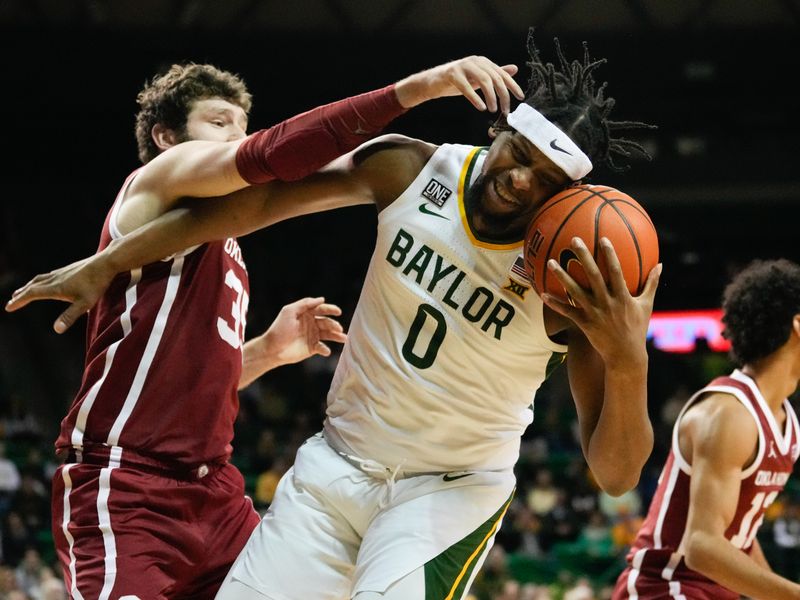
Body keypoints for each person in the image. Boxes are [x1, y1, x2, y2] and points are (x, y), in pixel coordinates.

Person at [8, 31, 659, 599]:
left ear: (567, 193)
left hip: (447, 490)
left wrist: (630, 360)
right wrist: (108, 262)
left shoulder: (572, 277)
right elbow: (251, 206)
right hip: (337, 464)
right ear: (499, 130)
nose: (521, 181)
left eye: (545, 179)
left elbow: (615, 475)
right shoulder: (411, 169)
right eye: (519, 155)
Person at [612, 258, 800, 600]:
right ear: (798, 326)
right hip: (664, 588)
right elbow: (702, 547)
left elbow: (739, 535)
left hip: (710, 591)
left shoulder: (785, 421)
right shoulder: (729, 415)